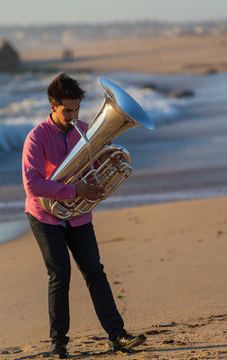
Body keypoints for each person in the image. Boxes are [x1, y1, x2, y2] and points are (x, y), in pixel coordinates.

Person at [21, 73, 146, 358]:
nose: (73, 115)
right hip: (45, 214)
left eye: (76, 109)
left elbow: (102, 164)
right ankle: (59, 343)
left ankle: (118, 336)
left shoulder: (85, 131)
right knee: (60, 275)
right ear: (52, 106)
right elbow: (33, 185)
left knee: (95, 272)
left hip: (77, 215)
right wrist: (76, 188)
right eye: (67, 110)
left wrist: (100, 183)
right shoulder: (36, 137)